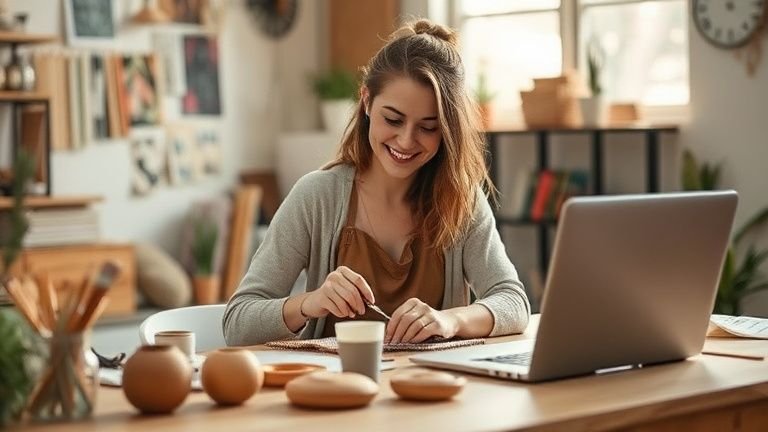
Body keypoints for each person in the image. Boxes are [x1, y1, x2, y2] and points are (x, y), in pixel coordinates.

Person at [223, 19, 530, 346]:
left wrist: (451, 320)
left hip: (430, 379)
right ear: (366, 101)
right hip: (336, 379)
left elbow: (514, 302)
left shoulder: (460, 200)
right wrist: (309, 302)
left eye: (428, 127)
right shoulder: (316, 196)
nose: (406, 140)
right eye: (393, 119)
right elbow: (238, 322)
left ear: (447, 130)